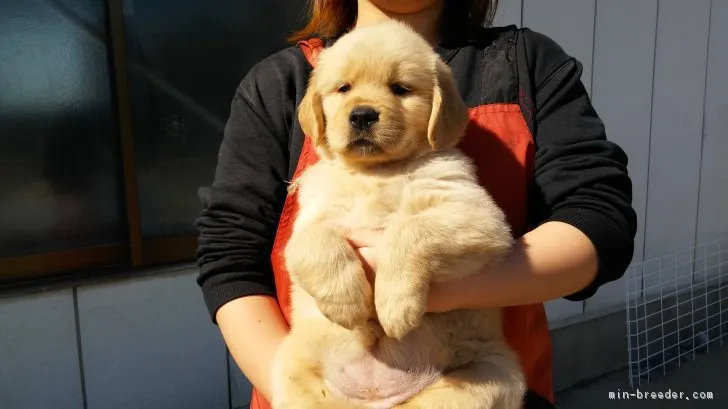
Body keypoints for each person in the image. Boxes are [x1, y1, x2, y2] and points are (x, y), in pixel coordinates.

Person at [195, 1, 638, 408]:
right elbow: (230, 257)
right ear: (316, 112)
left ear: (440, 112)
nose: (364, 108)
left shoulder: (522, 68)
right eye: (344, 88)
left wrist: (429, 275)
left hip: (457, 377)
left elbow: (598, 218)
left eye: (401, 88)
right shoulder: (280, 86)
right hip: (322, 387)